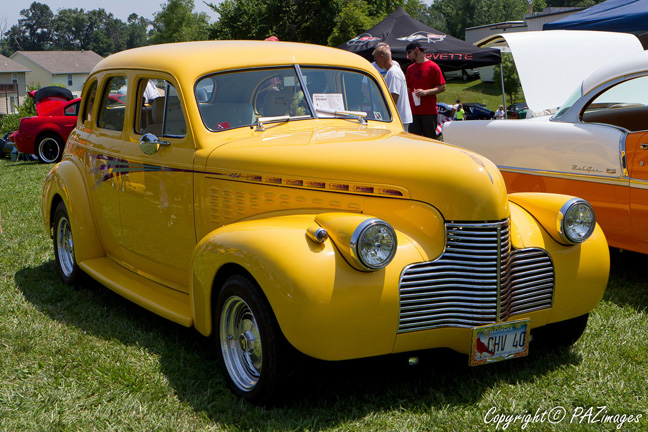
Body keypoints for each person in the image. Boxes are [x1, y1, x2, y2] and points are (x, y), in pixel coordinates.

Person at [405, 41, 446, 138]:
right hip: (413, 112)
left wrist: (425, 92)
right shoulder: (410, 69)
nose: (408, 56)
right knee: (414, 141)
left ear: (417, 50)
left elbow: (442, 87)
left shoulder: (433, 67)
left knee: (430, 140)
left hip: (429, 112)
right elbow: (408, 89)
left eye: (409, 52)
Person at [373, 44, 412, 131]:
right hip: (399, 117)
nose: (375, 63)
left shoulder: (393, 72)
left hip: (399, 119)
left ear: (381, 57)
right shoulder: (392, 71)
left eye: (376, 60)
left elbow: (394, 95)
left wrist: (387, 114)